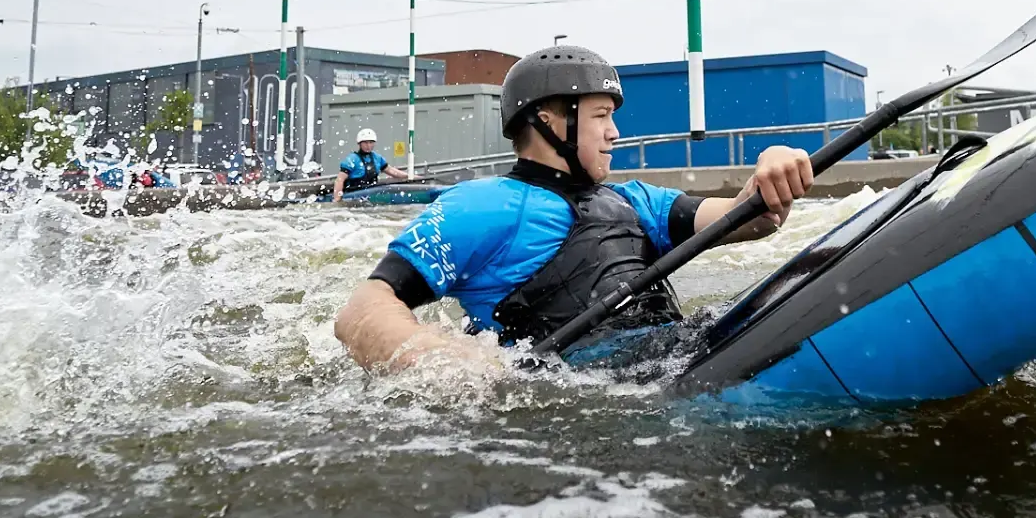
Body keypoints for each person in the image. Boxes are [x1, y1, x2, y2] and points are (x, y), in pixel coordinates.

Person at [333, 45, 814, 370]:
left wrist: (774, 167)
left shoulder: (635, 201)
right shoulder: (480, 206)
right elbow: (363, 309)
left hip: (679, 355)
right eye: (601, 116)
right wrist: (443, 358)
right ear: (549, 121)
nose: (615, 132)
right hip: (596, 386)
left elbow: (754, 218)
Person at [335, 129, 409, 197]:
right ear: (359, 144)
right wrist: (337, 200)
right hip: (354, 193)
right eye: (365, 143)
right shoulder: (352, 159)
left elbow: (393, 172)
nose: (368, 146)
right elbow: (339, 180)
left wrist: (413, 177)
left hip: (372, 193)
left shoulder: (377, 158)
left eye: (371, 142)